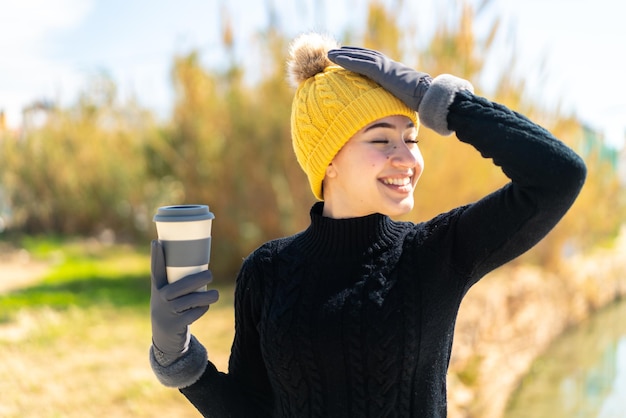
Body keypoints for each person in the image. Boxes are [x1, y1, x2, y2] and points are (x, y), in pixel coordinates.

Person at [148, 32, 586, 417]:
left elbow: (558, 175)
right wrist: (179, 357)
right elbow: (251, 407)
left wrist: (440, 100)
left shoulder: (435, 252)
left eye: (411, 139)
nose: (408, 158)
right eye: (381, 140)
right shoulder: (267, 271)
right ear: (329, 162)